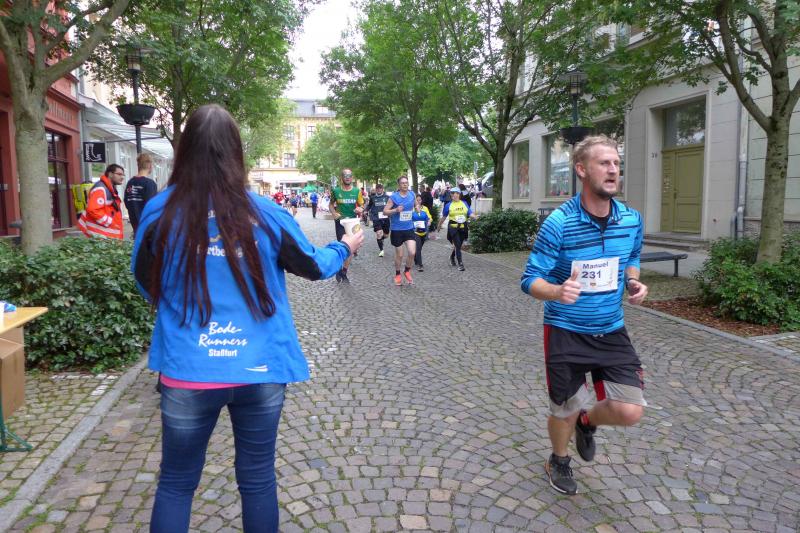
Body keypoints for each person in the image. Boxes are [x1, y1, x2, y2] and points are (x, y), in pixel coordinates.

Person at [131, 104, 364, 533]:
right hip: (259, 368)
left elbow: (146, 281)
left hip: (189, 369)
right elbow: (313, 266)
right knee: (257, 480)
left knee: (177, 483)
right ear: (236, 153)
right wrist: (345, 245)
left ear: (184, 150)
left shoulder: (160, 211)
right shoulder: (265, 212)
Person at [520, 135, 648, 496]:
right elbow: (530, 279)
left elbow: (632, 257)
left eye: (616, 164)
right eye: (604, 163)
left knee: (629, 410)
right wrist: (557, 291)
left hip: (610, 328)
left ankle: (588, 422)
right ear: (581, 169)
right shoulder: (559, 222)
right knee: (565, 408)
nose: (613, 170)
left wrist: (633, 281)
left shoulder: (631, 220)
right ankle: (559, 459)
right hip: (566, 330)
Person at [330, 168, 365, 282]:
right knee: (343, 246)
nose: (348, 178)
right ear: (342, 178)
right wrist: (334, 213)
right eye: (345, 176)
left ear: (352, 178)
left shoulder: (357, 191)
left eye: (349, 176)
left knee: (351, 248)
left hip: (353, 222)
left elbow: (362, 204)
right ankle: (339, 268)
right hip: (340, 222)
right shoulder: (335, 191)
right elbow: (331, 205)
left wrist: (361, 208)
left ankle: (344, 272)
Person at [383, 175, 416, 285]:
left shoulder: (412, 194)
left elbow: (416, 204)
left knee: (412, 252)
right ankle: (397, 274)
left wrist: (417, 207)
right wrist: (396, 210)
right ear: (399, 185)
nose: (405, 184)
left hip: (409, 228)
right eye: (403, 183)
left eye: (406, 182)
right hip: (397, 229)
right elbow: (385, 211)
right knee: (400, 255)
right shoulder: (394, 197)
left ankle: (407, 271)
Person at [78, 164, 125, 240]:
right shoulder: (101, 189)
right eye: (119, 174)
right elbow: (93, 210)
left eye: (123, 175)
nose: (122, 177)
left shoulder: (108, 188)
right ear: (110, 174)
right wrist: (109, 222)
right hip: (100, 234)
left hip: (103, 234)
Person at [436, 187, 476, 271]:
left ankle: (452, 257)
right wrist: (439, 226)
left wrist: (476, 217)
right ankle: (460, 264)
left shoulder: (464, 203)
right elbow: (444, 217)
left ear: (459, 195)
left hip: (463, 228)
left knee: (459, 245)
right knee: (457, 245)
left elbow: (470, 213)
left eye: (457, 193)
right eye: (453, 193)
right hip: (453, 228)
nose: (455, 195)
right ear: (451, 195)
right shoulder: (448, 205)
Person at [124, 153, 158, 235]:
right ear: (150, 166)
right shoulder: (149, 183)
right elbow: (152, 207)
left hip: (135, 226)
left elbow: (127, 202)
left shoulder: (130, 183)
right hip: (148, 228)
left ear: (138, 165)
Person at [366, 183, 391, 257]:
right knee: (379, 233)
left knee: (386, 235)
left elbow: (391, 206)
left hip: (385, 218)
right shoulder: (373, 198)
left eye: (380, 188)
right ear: (376, 189)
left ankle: (381, 239)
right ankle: (381, 250)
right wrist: (365, 210)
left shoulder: (387, 197)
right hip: (376, 218)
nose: (379, 190)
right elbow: (369, 206)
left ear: (382, 189)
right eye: (377, 188)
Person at [411, 194, 431, 272]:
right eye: (416, 206)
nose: (417, 206)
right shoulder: (412, 213)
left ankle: (416, 257)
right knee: (418, 248)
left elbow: (428, 219)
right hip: (416, 233)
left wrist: (428, 222)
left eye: (418, 206)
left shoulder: (424, 212)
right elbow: (409, 222)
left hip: (423, 232)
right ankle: (420, 265)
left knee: (419, 248)